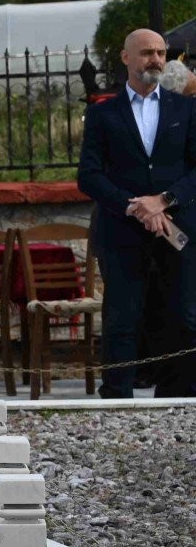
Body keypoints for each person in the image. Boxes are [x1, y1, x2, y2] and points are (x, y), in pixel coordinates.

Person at [77, 28, 196, 399]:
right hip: (123, 232)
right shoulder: (102, 114)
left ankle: (177, 395)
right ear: (126, 58)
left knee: (183, 315)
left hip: (176, 229)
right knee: (122, 319)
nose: (156, 60)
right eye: (147, 53)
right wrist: (135, 206)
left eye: (161, 53)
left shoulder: (186, 109)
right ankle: (117, 396)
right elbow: (89, 175)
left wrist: (164, 201)